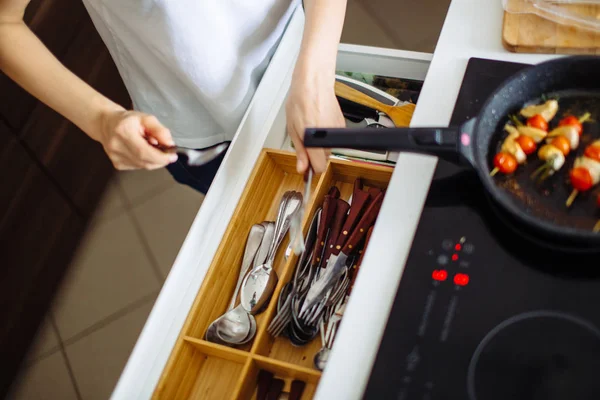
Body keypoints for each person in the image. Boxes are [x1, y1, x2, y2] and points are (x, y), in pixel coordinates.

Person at [0, 0, 347, 193]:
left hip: (309, 61)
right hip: (208, 134)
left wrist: (315, 73)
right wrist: (102, 120)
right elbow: (4, 22)